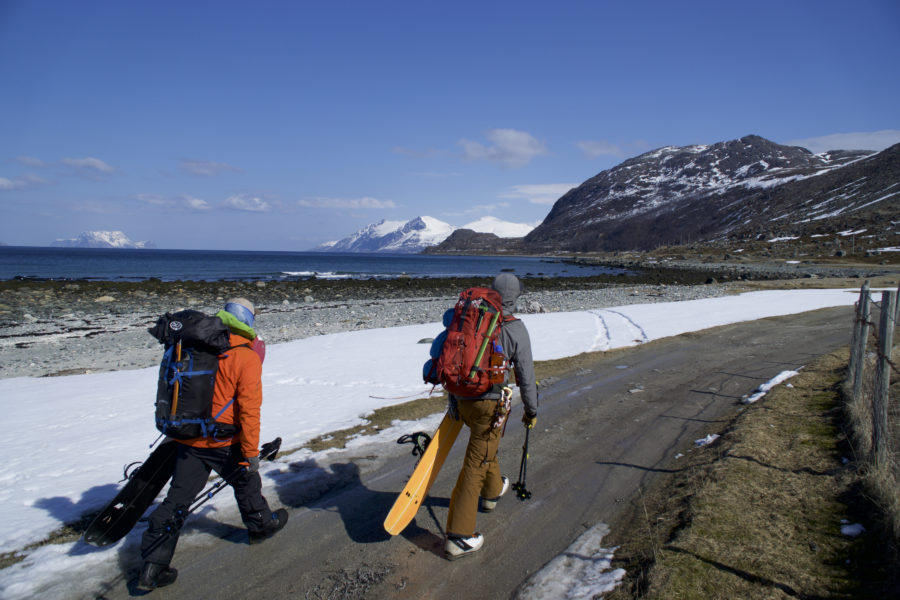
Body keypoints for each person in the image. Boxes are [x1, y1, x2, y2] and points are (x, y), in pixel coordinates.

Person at [138, 297, 288, 591]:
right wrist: (249, 453)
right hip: (223, 440)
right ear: (248, 321)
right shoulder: (245, 356)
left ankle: (152, 566)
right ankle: (261, 526)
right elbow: (248, 410)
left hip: (190, 437)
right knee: (246, 481)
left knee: (177, 500)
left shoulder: (193, 347)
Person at [444, 273, 538, 560]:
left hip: (463, 398)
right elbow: (525, 374)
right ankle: (459, 537)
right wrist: (532, 410)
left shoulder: (473, 319)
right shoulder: (515, 328)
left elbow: (456, 360)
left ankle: (492, 493)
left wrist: (454, 401)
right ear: (514, 297)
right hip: (490, 404)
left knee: (485, 449)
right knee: (477, 462)